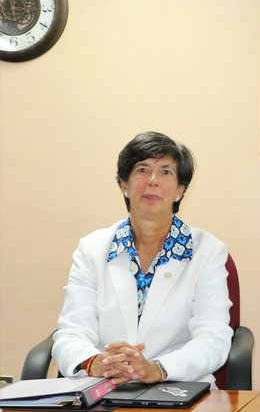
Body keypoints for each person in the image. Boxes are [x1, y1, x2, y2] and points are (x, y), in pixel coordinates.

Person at [53, 131, 233, 386]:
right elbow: (71, 332)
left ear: (180, 190)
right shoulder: (92, 248)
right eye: (142, 169)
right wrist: (95, 363)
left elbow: (213, 338)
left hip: (178, 389)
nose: (152, 180)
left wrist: (157, 369)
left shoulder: (208, 251)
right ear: (124, 185)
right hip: (104, 388)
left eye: (166, 172)